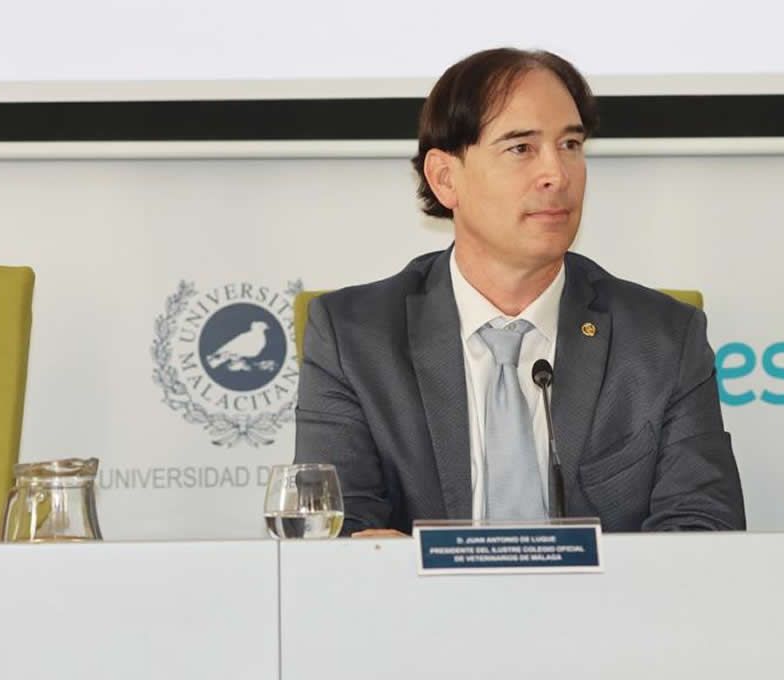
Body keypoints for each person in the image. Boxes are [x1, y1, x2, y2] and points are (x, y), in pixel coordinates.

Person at [295, 48, 746, 536]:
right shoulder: (353, 337)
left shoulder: (663, 338)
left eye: (570, 144)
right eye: (521, 148)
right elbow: (336, 530)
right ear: (445, 179)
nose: (557, 174)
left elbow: (703, 528)